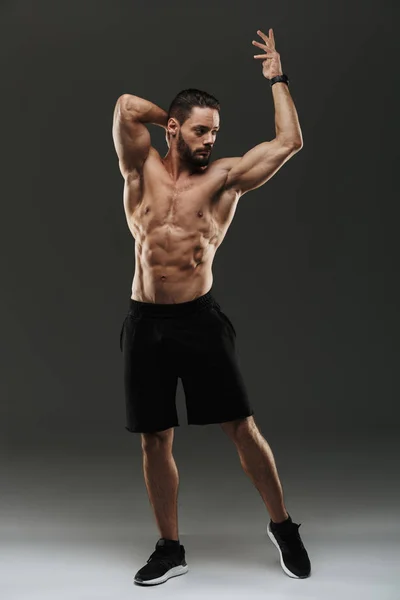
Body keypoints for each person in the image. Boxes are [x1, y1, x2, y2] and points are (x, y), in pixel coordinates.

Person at [112, 28, 311, 586]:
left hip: (199, 321)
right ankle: (170, 548)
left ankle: (284, 526)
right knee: (155, 438)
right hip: (145, 321)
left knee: (242, 429)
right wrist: (166, 122)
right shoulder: (141, 167)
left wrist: (277, 78)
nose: (209, 140)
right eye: (200, 130)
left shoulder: (225, 179)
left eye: (214, 132)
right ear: (175, 128)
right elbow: (127, 105)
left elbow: (288, 142)